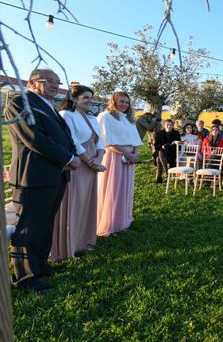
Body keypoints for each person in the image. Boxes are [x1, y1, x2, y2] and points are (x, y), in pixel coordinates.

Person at [5, 68, 81, 292]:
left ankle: (39, 265)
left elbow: (63, 136)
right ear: (32, 82)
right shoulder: (20, 103)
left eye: (58, 82)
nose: (56, 86)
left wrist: (71, 156)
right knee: (29, 226)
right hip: (34, 176)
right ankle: (24, 277)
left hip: (55, 174)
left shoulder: (48, 105)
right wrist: (67, 157)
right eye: (50, 81)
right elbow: (35, 138)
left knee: (45, 222)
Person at [51, 85, 106, 261]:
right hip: (77, 162)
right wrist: (89, 161)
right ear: (74, 99)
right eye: (85, 98)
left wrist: (98, 159)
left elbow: (100, 142)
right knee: (73, 201)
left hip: (93, 162)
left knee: (87, 201)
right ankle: (68, 244)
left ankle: (83, 240)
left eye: (91, 97)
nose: (90, 101)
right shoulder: (66, 115)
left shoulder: (93, 118)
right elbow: (72, 140)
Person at [96, 92, 142, 236]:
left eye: (127, 102)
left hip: (129, 158)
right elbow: (107, 141)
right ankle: (110, 223)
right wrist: (127, 154)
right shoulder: (106, 117)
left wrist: (134, 153)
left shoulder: (128, 119)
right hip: (114, 157)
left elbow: (135, 138)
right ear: (114, 101)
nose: (124, 104)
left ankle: (122, 220)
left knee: (125, 188)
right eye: (121, 101)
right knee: (113, 189)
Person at [153, 119, 182, 183]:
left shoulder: (176, 133)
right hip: (161, 151)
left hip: (171, 153)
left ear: (172, 125)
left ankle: (159, 177)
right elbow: (156, 145)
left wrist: (172, 144)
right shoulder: (160, 133)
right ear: (164, 125)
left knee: (158, 159)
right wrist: (162, 147)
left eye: (170, 125)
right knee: (160, 152)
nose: (169, 126)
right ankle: (166, 172)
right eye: (167, 125)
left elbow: (178, 145)